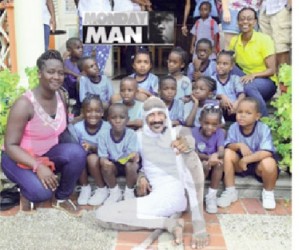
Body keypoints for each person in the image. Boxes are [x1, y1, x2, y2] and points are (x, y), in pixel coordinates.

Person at [96, 96, 209, 249]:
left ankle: (198, 222)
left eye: (160, 114)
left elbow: (189, 141)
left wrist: (186, 146)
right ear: (144, 117)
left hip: (178, 194)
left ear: (166, 115)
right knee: (102, 214)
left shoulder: (179, 132)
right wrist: (142, 176)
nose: (156, 119)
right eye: (151, 115)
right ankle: (168, 223)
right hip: (159, 198)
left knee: (191, 155)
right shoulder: (138, 137)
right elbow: (145, 163)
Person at [1, 50, 86, 215]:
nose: (56, 77)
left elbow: (60, 130)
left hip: (46, 154)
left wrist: (76, 154)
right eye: (50, 72)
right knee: (41, 193)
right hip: (18, 159)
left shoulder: (61, 95)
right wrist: (38, 166)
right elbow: (10, 146)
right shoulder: (24, 104)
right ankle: (25, 191)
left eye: (60, 73)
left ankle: (61, 199)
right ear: (40, 74)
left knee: (77, 153)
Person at [217, 97, 279, 210]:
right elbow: (229, 144)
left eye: (248, 113)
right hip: (239, 165)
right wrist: (239, 145)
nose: (242, 115)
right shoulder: (234, 127)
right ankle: (230, 191)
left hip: (258, 166)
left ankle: (268, 192)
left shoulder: (263, 128)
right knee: (228, 152)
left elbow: (267, 152)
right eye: (240, 112)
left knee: (269, 162)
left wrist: (246, 159)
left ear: (257, 116)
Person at [229, 7, 277, 117]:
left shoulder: (264, 39)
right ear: (238, 22)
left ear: (255, 22)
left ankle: (264, 120)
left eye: (249, 19)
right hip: (245, 77)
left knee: (248, 87)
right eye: (242, 19)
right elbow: (231, 64)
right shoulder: (235, 41)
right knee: (226, 66)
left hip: (265, 81)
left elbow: (272, 70)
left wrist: (253, 75)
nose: (245, 22)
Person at [68, 95, 111, 206]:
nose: (93, 114)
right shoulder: (78, 127)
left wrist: (92, 147)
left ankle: (102, 189)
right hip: (82, 163)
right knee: (80, 155)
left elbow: (109, 150)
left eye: (97, 111)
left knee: (92, 158)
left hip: (101, 160)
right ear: (83, 112)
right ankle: (85, 187)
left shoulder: (107, 127)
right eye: (89, 111)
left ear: (102, 112)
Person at [98, 103, 139, 204]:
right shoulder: (103, 136)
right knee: (105, 166)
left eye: (122, 117)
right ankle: (115, 192)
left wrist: (133, 156)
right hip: (113, 166)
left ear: (128, 119)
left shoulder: (132, 134)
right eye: (113, 118)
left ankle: (129, 192)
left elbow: (132, 154)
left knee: (132, 165)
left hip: (126, 163)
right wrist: (104, 162)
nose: (118, 121)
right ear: (108, 119)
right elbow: (103, 157)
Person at [192, 105, 225, 213]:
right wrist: (209, 158)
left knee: (220, 164)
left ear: (219, 124)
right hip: (198, 163)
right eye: (206, 123)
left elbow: (221, 151)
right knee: (204, 165)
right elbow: (194, 153)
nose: (210, 127)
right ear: (200, 121)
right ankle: (197, 196)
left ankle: (211, 196)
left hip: (213, 164)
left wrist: (215, 156)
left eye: (214, 124)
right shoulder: (194, 132)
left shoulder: (220, 133)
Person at [212, 50, 245, 121]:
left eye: (225, 64)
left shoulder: (235, 79)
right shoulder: (212, 79)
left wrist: (236, 103)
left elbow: (242, 94)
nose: (221, 66)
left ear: (231, 67)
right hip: (219, 108)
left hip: (233, 107)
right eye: (218, 63)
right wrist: (221, 96)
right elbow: (209, 95)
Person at [259, 0, 292, 69]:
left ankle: (284, 78)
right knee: (268, 48)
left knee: (281, 48)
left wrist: (289, 5)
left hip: (280, 8)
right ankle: (276, 77)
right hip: (265, 8)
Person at [63, 37, 83, 116]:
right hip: (68, 89)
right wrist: (63, 58)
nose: (81, 50)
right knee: (63, 79)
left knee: (79, 80)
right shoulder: (66, 61)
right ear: (69, 50)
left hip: (79, 90)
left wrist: (71, 73)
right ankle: (63, 106)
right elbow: (60, 69)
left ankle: (78, 106)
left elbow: (83, 76)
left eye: (81, 47)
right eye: (78, 48)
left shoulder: (83, 62)